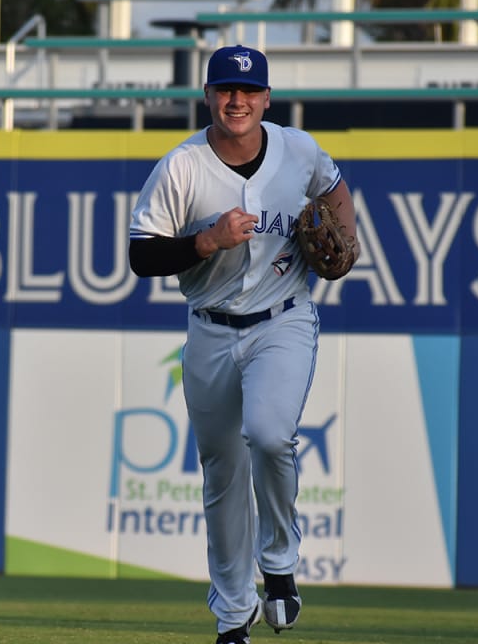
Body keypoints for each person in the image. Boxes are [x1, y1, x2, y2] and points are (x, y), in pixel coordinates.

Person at [126, 45, 357, 644]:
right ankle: (233, 618)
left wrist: (346, 238)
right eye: (226, 89)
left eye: (249, 91)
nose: (237, 101)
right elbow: (140, 254)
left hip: (283, 319)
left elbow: (334, 187)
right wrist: (204, 242)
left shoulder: (297, 149)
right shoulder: (182, 166)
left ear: (266, 100)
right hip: (208, 327)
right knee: (222, 475)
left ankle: (279, 562)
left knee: (270, 433)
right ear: (207, 96)